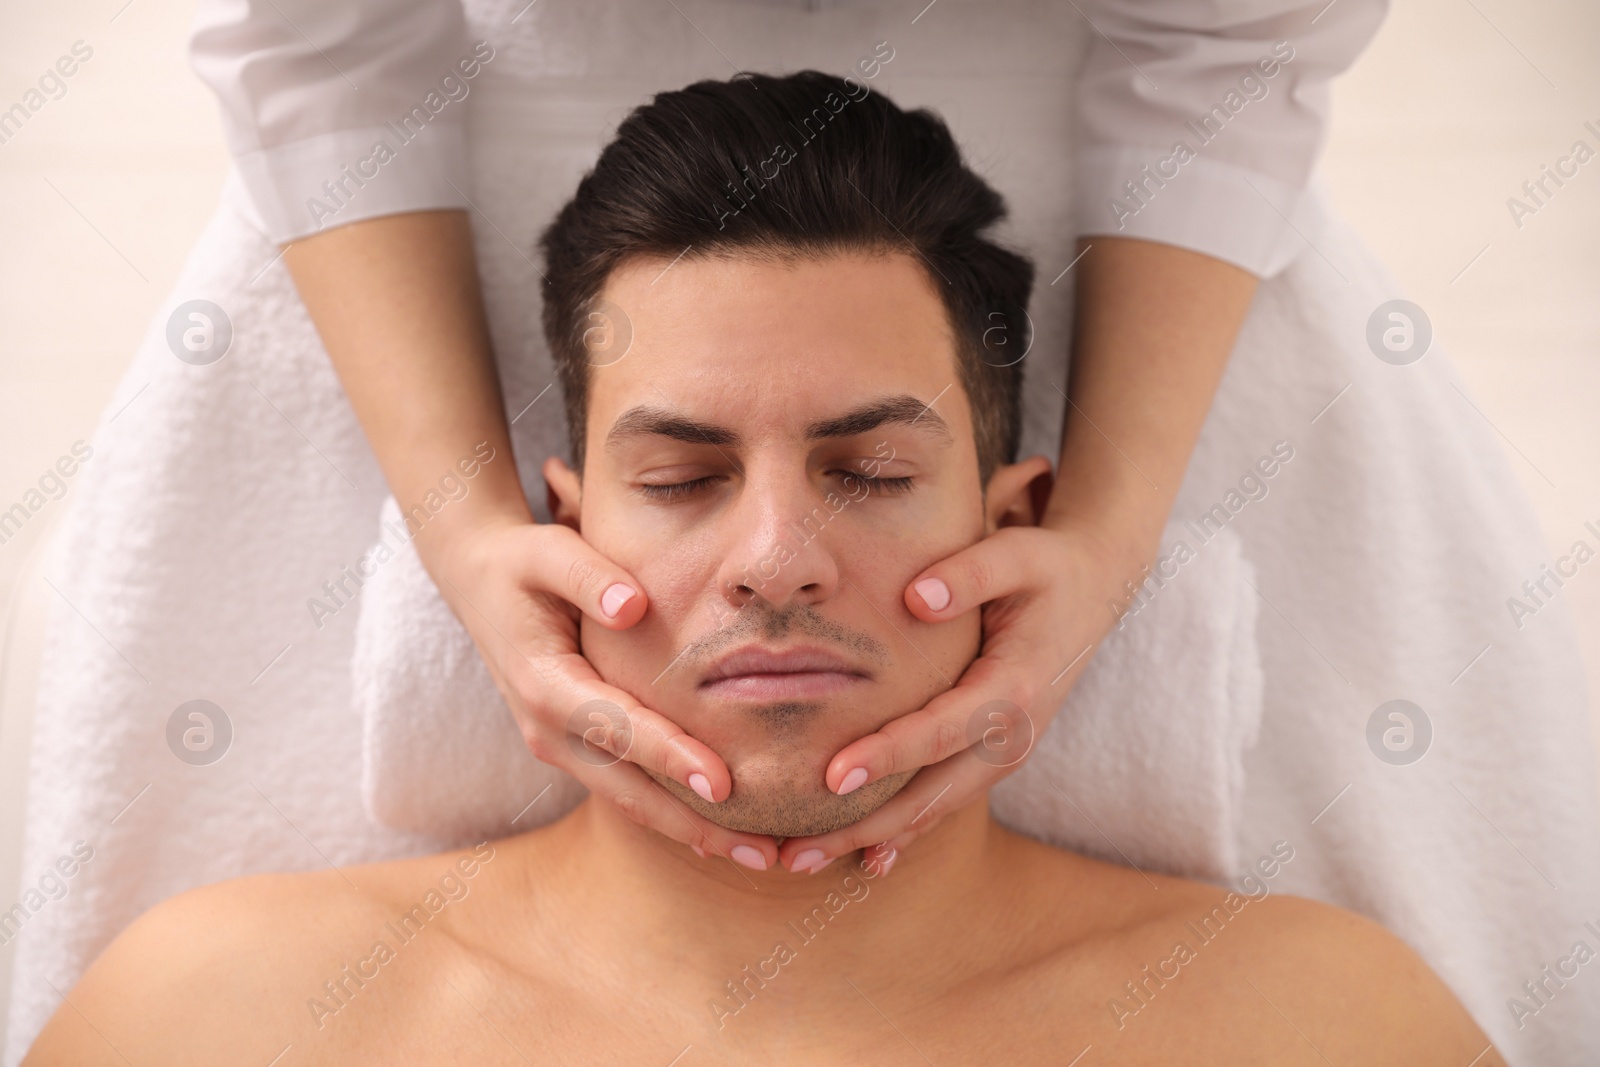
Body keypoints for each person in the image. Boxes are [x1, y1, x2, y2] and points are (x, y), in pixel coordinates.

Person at [9, 2, 1599, 1064]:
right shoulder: (225, 1022)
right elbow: (317, 37)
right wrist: (447, 515)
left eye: (868, 471)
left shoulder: (1306, 1029)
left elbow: (1233, 45)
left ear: (1022, 521)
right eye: (685, 477)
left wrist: (1128, 532)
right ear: (552, 535)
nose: (775, 557)